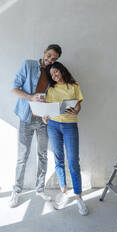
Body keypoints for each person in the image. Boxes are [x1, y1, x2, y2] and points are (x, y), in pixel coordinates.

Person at [9, 44, 62, 208]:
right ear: (44, 52)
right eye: (49, 56)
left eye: (54, 59)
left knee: (43, 155)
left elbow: (52, 96)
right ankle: (16, 191)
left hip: (42, 120)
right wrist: (31, 97)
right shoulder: (28, 65)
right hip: (26, 118)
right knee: (22, 157)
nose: (50, 60)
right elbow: (14, 89)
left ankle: (40, 189)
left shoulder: (51, 73)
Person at [42, 61, 88, 216]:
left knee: (73, 161)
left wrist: (77, 111)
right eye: (52, 75)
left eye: (56, 72)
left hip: (69, 126)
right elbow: (47, 109)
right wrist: (45, 117)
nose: (54, 76)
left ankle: (79, 197)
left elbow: (78, 105)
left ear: (61, 70)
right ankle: (63, 191)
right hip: (53, 125)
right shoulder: (51, 89)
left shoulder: (73, 86)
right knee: (58, 159)